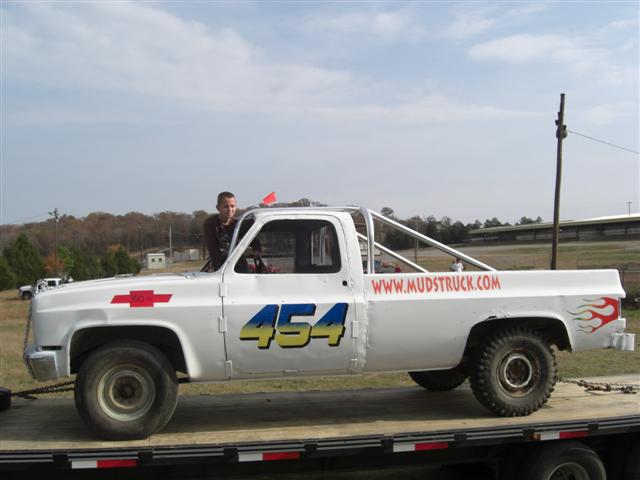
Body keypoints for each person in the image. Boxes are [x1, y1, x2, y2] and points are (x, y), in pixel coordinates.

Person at [202, 192, 260, 272]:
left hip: (238, 263)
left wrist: (256, 249)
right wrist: (219, 271)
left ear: (236, 207)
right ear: (218, 208)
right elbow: (213, 250)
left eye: (232, 206)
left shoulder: (239, 224)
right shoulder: (210, 224)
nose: (230, 209)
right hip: (219, 264)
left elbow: (253, 240)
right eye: (226, 207)